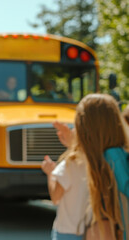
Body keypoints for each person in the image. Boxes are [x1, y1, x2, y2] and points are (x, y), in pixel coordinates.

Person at [42, 94, 128, 240]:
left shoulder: (76, 161)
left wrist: (51, 173)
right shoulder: (117, 156)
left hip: (73, 232)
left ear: (82, 127)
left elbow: (56, 196)